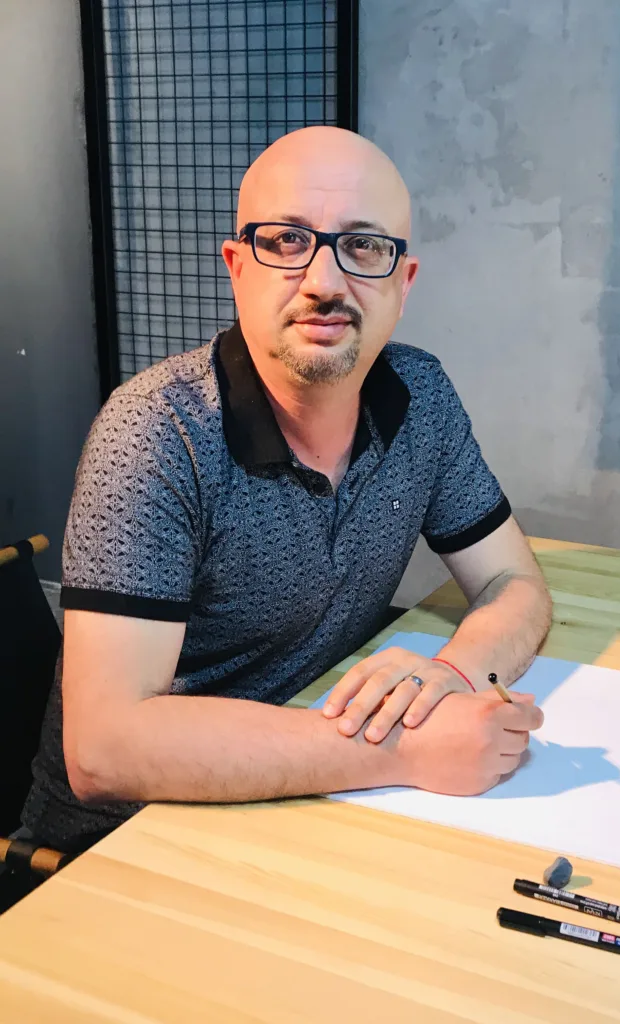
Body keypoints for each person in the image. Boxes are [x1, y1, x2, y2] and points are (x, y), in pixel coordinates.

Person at [22, 127, 552, 854]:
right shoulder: (156, 432)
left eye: (363, 246)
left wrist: (452, 677)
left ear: (404, 282)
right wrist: (403, 749)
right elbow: (104, 750)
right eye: (286, 241)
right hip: (126, 846)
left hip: (311, 801)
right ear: (237, 267)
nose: (325, 281)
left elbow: (513, 580)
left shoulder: (420, 397)